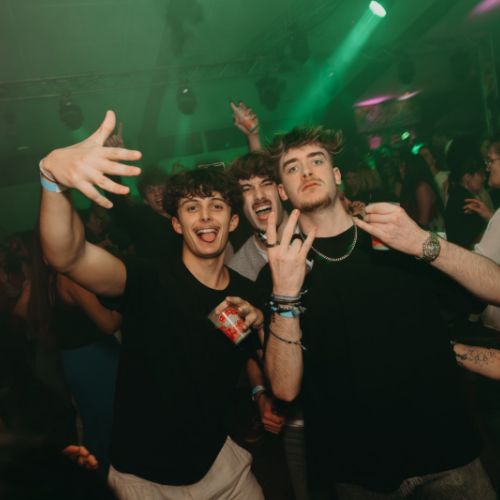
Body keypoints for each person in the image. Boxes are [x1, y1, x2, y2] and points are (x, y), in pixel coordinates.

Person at [37, 111, 264, 499]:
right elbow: (67, 256)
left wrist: (262, 333)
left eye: (216, 206)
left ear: (232, 221)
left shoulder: (245, 293)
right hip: (144, 480)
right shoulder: (147, 279)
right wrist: (51, 179)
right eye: (191, 207)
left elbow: (262, 365)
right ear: (176, 224)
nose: (205, 216)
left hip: (220, 466)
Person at [263, 125, 495, 499]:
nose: (306, 172)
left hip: (446, 453)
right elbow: (284, 389)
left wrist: (422, 241)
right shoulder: (279, 268)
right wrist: (285, 297)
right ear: (281, 191)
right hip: (358, 474)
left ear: (336, 174)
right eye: (292, 167)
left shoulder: (394, 237)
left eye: (316, 161)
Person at [227, 150, 311, 500]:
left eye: (265, 184)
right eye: (247, 189)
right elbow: (243, 345)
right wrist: (259, 393)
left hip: (343, 402)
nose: (258, 195)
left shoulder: (317, 238)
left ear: (280, 191)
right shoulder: (235, 269)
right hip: (292, 417)